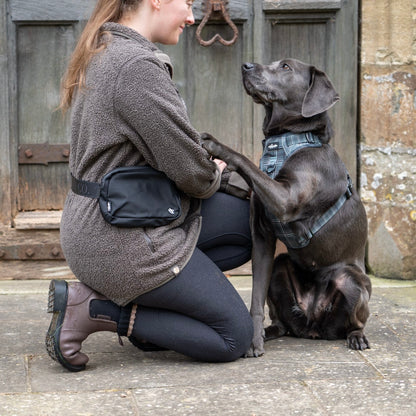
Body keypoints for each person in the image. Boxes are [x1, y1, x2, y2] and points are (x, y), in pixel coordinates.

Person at [45, 0, 254, 372]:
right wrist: (213, 173)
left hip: (104, 225)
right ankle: (96, 310)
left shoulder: (107, 46)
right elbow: (193, 173)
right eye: (188, 3)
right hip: (121, 241)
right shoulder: (135, 66)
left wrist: (203, 171)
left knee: (249, 222)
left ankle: (153, 313)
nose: (192, 17)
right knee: (233, 335)